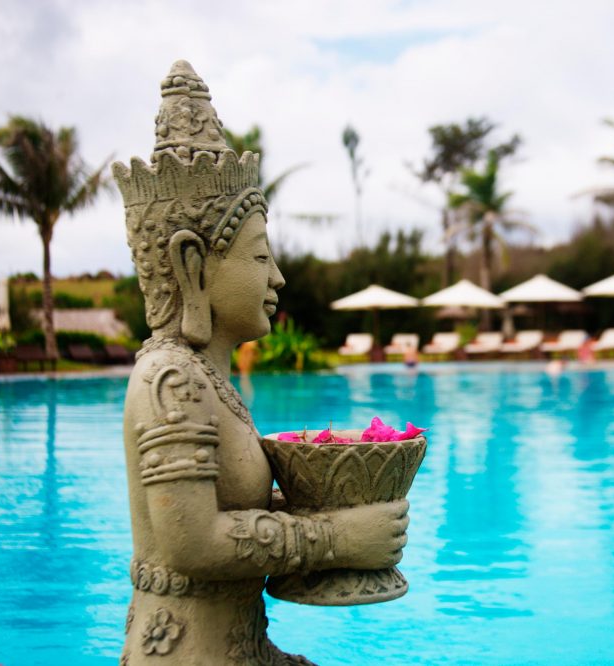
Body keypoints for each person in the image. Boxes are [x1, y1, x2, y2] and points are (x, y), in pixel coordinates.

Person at [116, 61, 407, 665]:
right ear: (193, 264)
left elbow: (226, 511)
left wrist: (335, 505)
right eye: (258, 258)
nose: (277, 277)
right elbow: (193, 544)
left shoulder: (209, 380)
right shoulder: (170, 379)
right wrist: (336, 536)